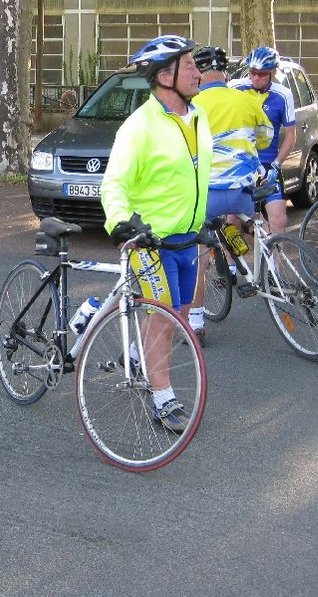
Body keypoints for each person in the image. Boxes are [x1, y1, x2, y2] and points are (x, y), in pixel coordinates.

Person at [100, 34, 211, 432]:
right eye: (190, 66)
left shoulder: (197, 117)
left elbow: (196, 175)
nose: (199, 72)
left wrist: (206, 219)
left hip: (186, 239)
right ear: (165, 75)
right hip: (150, 242)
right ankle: (162, 395)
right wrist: (121, 223)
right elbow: (114, 183)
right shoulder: (139, 126)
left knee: (178, 318)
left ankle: (135, 353)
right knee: (165, 319)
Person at [190, 45, 274, 340]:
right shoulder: (246, 100)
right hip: (242, 192)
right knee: (253, 222)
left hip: (208, 195)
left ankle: (197, 323)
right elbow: (266, 137)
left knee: (198, 256)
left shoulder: (193, 106)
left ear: (198, 74)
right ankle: (267, 270)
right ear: (226, 73)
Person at [229, 46, 295, 234]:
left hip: (267, 165)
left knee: (279, 220)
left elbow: (291, 136)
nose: (255, 78)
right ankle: (233, 264)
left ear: (273, 72)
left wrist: (276, 165)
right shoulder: (235, 87)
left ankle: (273, 263)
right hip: (240, 163)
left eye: (261, 74)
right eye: (252, 72)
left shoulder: (283, 95)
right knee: (232, 219)